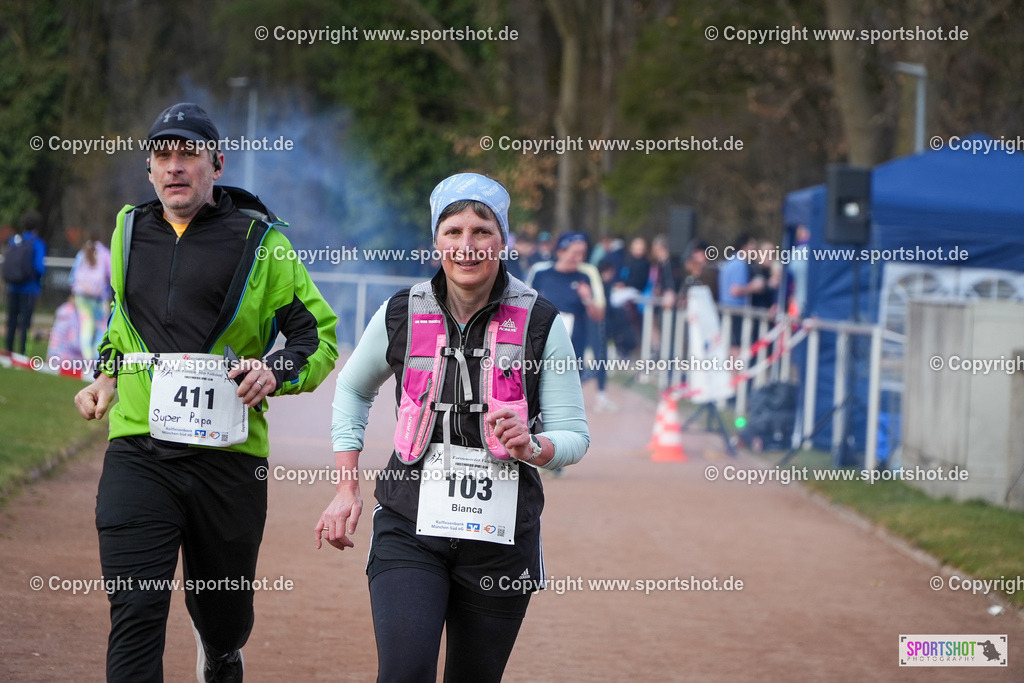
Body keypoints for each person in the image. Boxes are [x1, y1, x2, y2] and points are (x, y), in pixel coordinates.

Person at [73, 102, 338, 683]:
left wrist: (275, 371)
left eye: (188, 154)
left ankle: (220, 650)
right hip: (140, 449)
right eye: (163, 155)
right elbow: (122, 322)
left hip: (228, 460)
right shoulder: (127, 230)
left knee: (222, 614)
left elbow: (316, 338)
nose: (175, 167)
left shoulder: (261, 242)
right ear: (148, 169)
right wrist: (106, 375)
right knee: (135, 609)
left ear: (216, 164)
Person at [318, 172, 589, 682]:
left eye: (482, 231)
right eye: (454, 231)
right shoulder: (402, 311)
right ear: (436, 240)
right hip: (409, 527)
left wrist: (533, 445)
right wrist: (346, 486)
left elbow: (574, 434)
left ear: (503, 240)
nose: (467, 246)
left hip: (502, 540)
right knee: (404, 672)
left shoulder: (541, 322)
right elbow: (353, 388)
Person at [527, 232, 610, 409]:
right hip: (543, 334)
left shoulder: (584, 276)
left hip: (574, 337)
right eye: (574, 252)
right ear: (561, 251)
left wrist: (587, 298)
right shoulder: (541, 273)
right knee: (539, 377)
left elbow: (599, 315)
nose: (578, 258)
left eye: (582, 253)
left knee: (569, 382)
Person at [3, 209, 47, 354]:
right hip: (29, 289)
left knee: (11, 322)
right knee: (25, 324)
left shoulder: (15, 240)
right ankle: (22, 354)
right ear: (37, 226)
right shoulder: (37, 243)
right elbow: (39, 267)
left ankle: (8, 352)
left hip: (12, 287)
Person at [718, 233, 764, 357]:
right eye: (752, 248)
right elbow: (735, 290)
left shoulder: (729, 262)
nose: (754, 251)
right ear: (744, 247)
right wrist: (754, 286)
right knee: (735, 349)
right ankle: (735, 376)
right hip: (736, 312)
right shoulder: (740, 264)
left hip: (727, 310)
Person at [69, 232, 112, 359]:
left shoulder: (82, 252)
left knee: (85, 327)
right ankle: (97, 357)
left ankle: (86, 358)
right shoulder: (104, 253)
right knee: (101, 329)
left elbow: (73, 275)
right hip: (99, 298)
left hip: (82, 296)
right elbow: (111, 275)